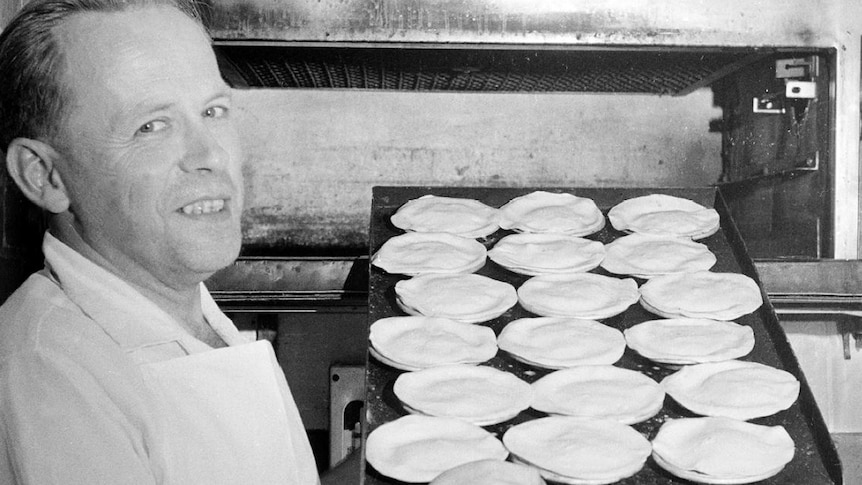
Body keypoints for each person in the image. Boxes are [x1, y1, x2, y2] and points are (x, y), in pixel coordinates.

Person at [0, 0, 357, 483]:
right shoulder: (47, 381)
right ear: (45, 176)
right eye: (151, 126)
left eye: (214, 110)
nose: (211, 154)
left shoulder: (163, 289)